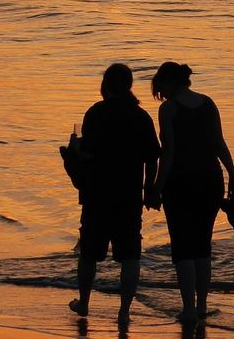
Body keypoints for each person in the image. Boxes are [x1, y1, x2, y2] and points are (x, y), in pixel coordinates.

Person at [147, 61, 234, 325]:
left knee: (183, 248)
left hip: (181, 183)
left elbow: (169, 154)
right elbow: (219, 143)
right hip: (211, 180)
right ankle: (201, 306)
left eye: (161, 87)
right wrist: (233, 176)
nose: (160, 94)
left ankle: (188, 309)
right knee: (202, 246)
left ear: (169, 83)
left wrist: (156, 188)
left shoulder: (169, 110)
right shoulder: (208, 103)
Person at [69, 63, 160, 326]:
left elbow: (87, 153)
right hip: (128, 195)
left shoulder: (96, 113)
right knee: (130, 256)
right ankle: (124, 311)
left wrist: (74, 149)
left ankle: (84, 302)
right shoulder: (141, 116)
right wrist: (149, 188)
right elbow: (152, 158)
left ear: (106, 85)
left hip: (97, 194)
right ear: (129, 85)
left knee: (89, 252)